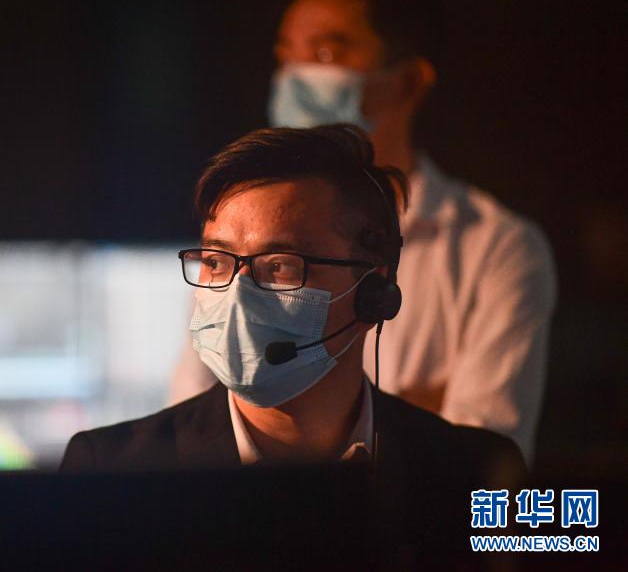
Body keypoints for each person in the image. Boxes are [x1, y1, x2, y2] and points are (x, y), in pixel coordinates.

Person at [168, 0, 556, 462]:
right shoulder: (239, 233)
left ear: (408, 81)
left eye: (326, 54)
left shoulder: (498, 247)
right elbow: (189, 423)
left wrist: (312, 411)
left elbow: (479, 457)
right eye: (286, 56)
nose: (295, 76)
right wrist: (402, 407)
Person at [61, 124, 524, 485]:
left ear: (374, 292)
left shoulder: (475, 472)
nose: (237, 292)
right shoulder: (112, 470)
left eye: (279, 265)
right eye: (217, 262)